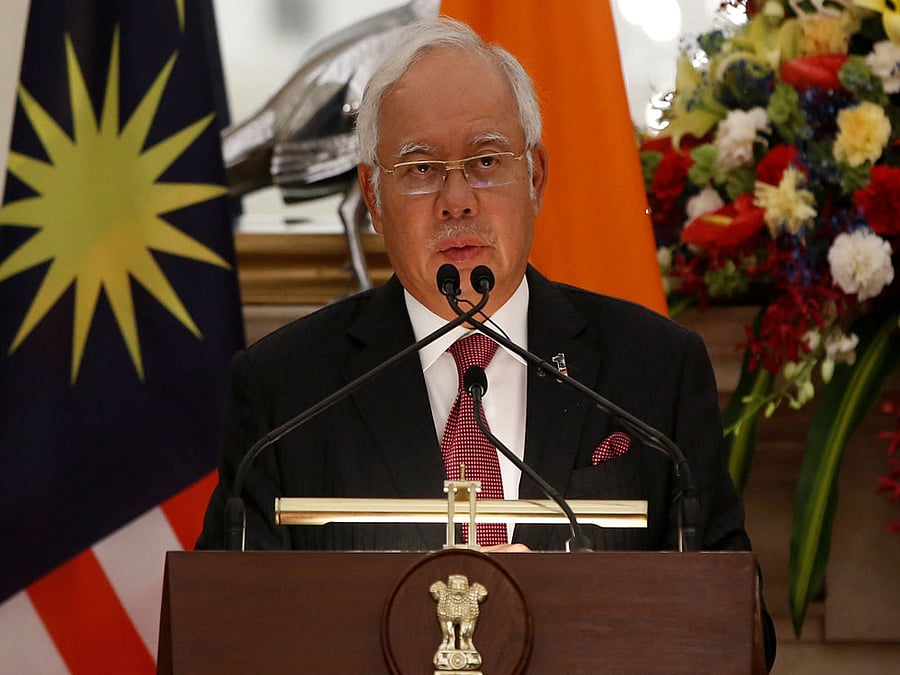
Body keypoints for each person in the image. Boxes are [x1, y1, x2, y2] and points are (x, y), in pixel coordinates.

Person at [197, 15, 774, 667]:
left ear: (536, 176)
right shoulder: (286, 390)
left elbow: (741, 626)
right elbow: (228, 631)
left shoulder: (654, 369)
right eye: (419, 168)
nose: (457, 198)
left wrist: (555, 612)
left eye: (486, 160)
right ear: (373, 196)